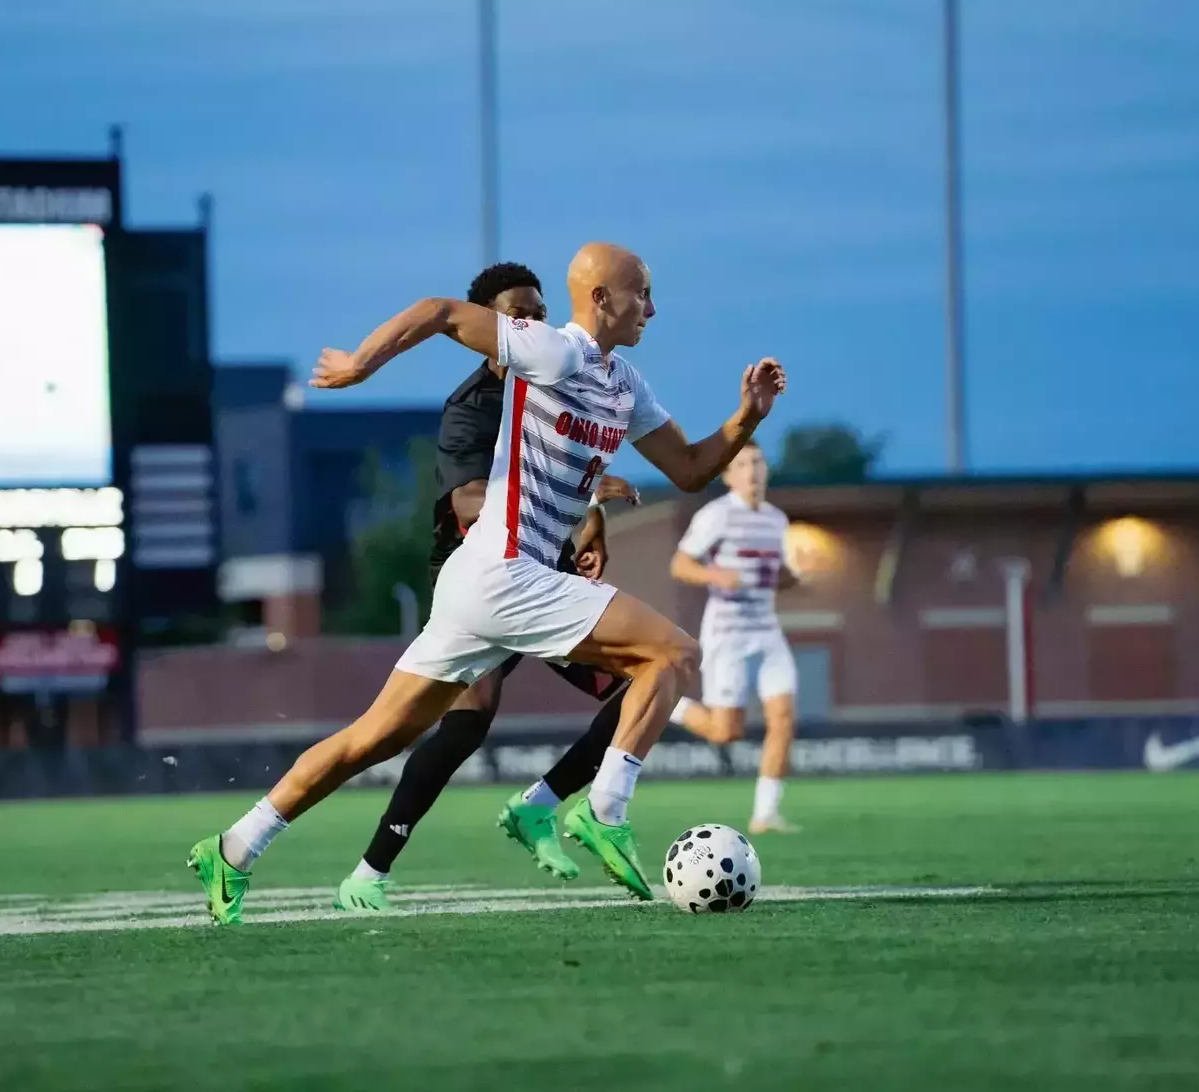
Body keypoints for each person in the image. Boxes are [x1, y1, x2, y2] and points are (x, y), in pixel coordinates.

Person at [189, 242, 786, 924]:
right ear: (600, 300)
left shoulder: (625, 384)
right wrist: (360, 363)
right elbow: (442, 312)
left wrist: (748, 417)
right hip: (504, 574)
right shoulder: (553, 352)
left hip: (483, 583)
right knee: (673, 654)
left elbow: (687, 467)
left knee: (373, 739)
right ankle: (603, 810)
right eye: (641, 293)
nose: (652, 307)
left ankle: (234, 847)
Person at [334, 262, 640, 913]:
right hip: (480, 579)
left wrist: (592, 517)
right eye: (514, 313)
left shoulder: (557, 381)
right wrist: (591, 497)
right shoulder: (471, 408)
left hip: (541, 570)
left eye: (535, 310)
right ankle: (371, 869)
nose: (528, 322)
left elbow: (570, 473)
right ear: (488, 325)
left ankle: (542, 804)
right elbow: (473, 503)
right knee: (461, 725)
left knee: (636, 689)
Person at [666, 442, 803, 833]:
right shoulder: (717, 515)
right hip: (727, 634)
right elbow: (680, 564)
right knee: (726, 732)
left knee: (783, 719)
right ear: (728, 475)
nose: (752, 470)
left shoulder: (777, 520)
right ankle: (668, 703)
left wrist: (797, 575)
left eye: (758, 461)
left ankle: (766, 814)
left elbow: (776, 576)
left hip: (766, 631)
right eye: (742, 464)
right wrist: (716, 576)